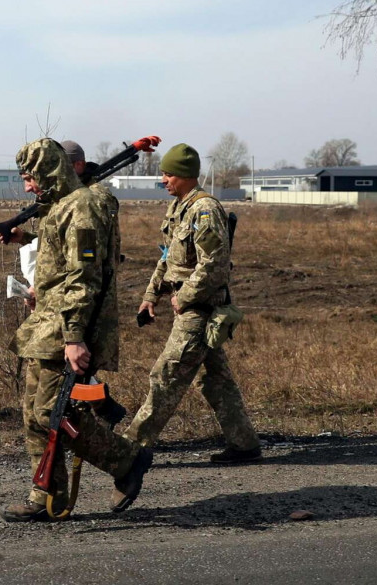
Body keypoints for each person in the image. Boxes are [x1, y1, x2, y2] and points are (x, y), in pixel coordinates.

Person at [2, 138, 151, 522]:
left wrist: (74, 337)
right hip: (45, 324)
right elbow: (58, 263)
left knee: (53, 411)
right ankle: (48, 495)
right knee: (34, 414)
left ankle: (126, 460)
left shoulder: (81, 207)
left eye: (30, 177)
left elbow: (83, 278)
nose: (27, 186)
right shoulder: (59, 208)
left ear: (49, 172)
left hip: (64, 329)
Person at [125, 143, 263, 464]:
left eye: (169, 174)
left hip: (199, 311)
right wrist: (150, 296)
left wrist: (183, 296)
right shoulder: (179, 209)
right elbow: (167, 258)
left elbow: (214, 262)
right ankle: (244, 445)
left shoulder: (205, 211)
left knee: (166, 375)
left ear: (186, 175)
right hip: (187, 307)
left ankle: (130, 448)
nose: (164, 179)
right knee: (216, 381)